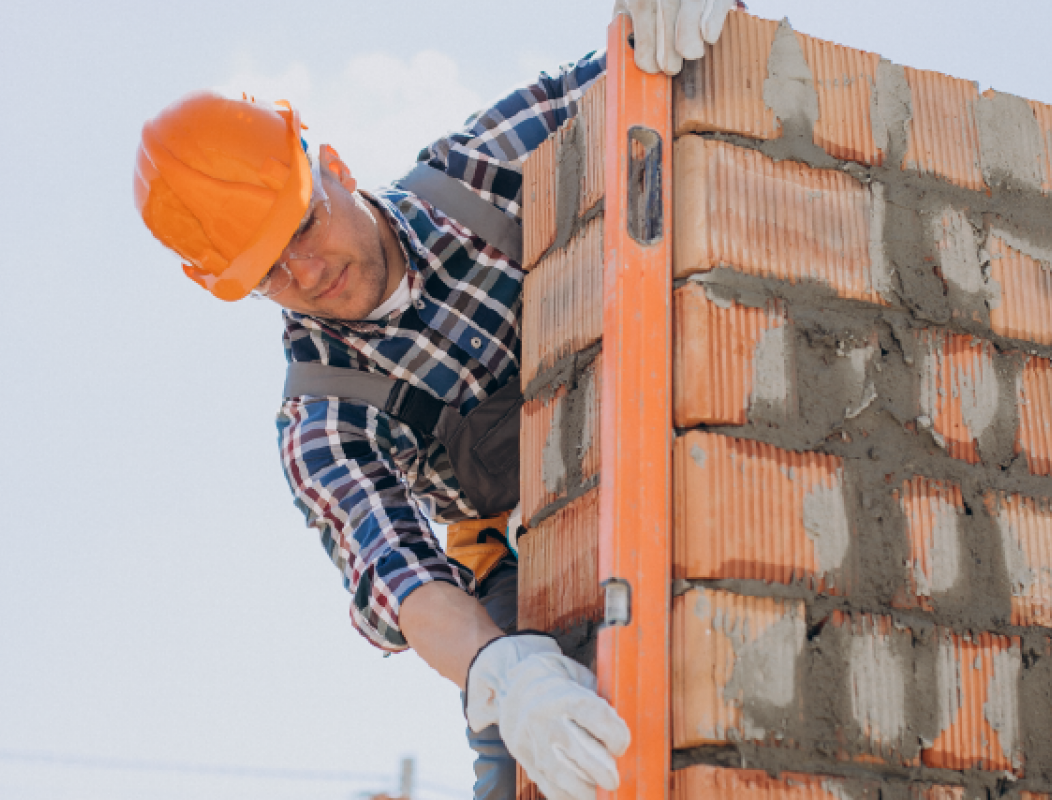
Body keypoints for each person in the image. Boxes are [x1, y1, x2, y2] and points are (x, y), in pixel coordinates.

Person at [132, 3, 736, 799]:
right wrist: (504, 674)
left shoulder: (483, 173)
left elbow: (647, 63)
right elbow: (403, 576)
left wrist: (670, 21)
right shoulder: (324, 417)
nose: (307, 275)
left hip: (668, 444)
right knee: (521, 769)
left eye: (305, 225)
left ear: (335, 167)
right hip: (523, 567)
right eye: (269, 272)